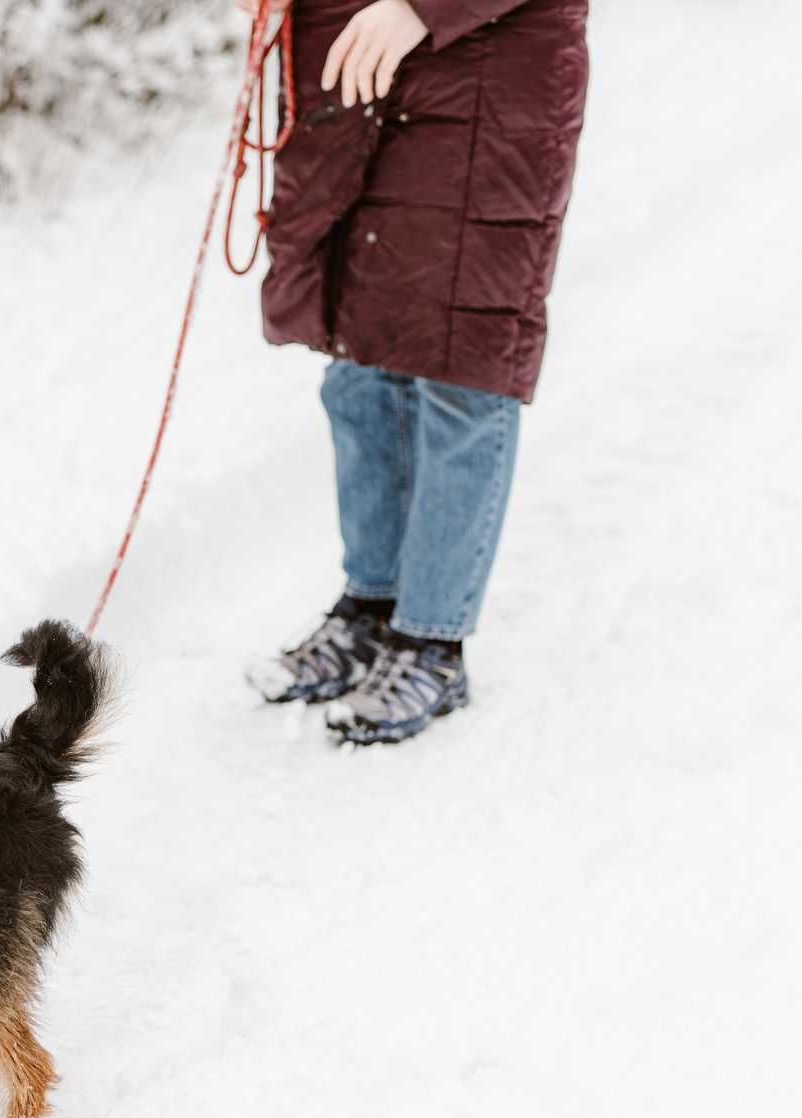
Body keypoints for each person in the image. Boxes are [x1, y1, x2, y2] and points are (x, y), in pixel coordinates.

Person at [237, 0, 590, 743]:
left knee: (460, 363)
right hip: (362, 62)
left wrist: (421, 7)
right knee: (361, 358)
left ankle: (432, 639)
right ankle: (371, 607)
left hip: (493, 72)